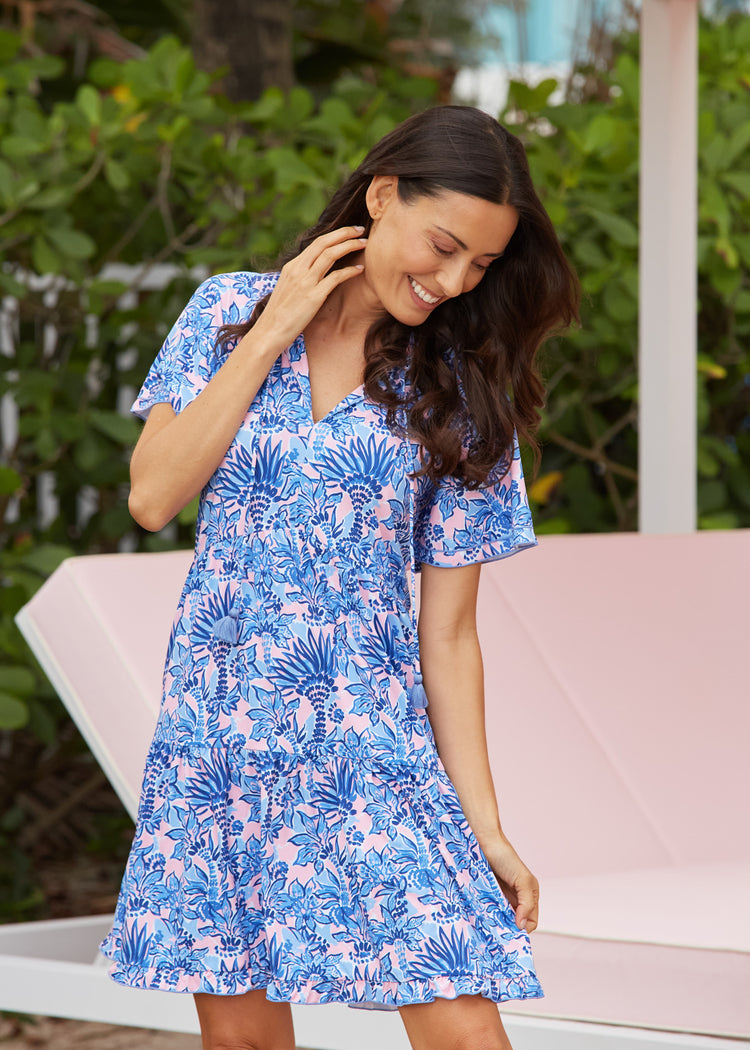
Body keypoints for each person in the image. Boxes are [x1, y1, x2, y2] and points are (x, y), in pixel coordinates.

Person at [99, 105, 579, 1050]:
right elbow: (153, 496)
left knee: (465, 1030)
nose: (452, 282)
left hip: (371, 750)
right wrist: (273, 327)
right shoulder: (226, 312)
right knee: (240, 1040)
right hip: (219, 738)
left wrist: (482, 825)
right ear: (384, 193)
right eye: (445, 247)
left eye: (479, 266)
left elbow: (449, 635)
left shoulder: (460, 386)